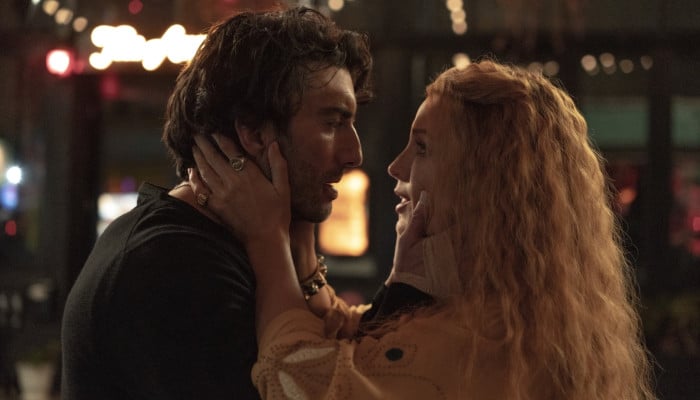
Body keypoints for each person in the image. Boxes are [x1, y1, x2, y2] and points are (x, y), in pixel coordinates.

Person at [190, 59, 656, 399]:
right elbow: (359, 346)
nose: (396, 166)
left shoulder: (486, 338)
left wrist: (266, 238)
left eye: (423, 149)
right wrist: (303, 242)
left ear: (484, 180)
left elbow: (295, 378)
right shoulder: (510, 308)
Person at [60, 7, 372, 400]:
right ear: (253, 133)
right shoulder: (174, 265)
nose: (354, 154)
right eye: (332, 123)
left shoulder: (222, 246)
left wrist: (297, 247)